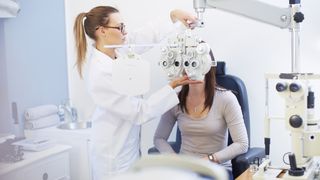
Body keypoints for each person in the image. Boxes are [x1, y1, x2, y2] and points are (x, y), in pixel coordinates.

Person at [73, 5, 201, 180]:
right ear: (102, 31)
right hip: (113, 157)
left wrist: (173, 16)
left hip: (127, 146)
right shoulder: (100, 74)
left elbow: (143, 36)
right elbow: (140, 112)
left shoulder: (118, 51)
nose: (125, 32)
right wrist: (172, 87)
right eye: (120, 27)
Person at [153, 50, 249, 180]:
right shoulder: (175, 100)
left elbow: (242, 144)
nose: (191, 69)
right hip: (184, 170)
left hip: (216, 170)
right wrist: (174, 159)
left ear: (207, 66)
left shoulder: (226, 99)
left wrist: (210, 159)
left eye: (196, 64)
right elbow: (159, 138)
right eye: (187, 63)